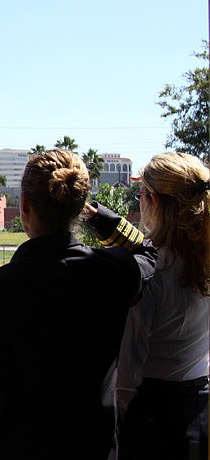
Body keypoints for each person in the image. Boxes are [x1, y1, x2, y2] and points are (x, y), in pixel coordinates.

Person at [0, 149, 157, 460]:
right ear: (80, 207)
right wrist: (101, 219)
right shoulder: (116, 273)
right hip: (95, 448)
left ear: (23, 205)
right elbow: (147, 252)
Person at [116, 152, 210, 460]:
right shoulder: (202, 261)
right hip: (198, 406)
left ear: (153, 201)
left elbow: (129, 371)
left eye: (140, 194)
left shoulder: (149, 273)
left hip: (151, 417)